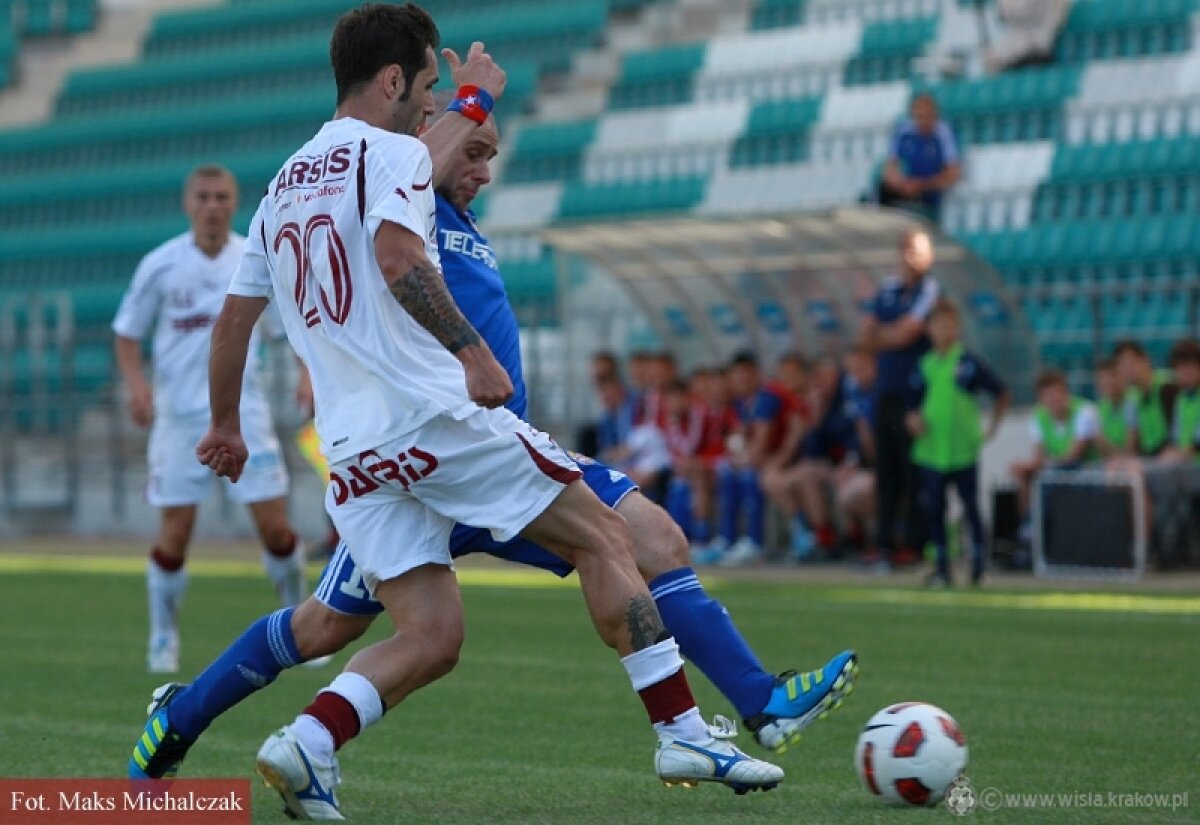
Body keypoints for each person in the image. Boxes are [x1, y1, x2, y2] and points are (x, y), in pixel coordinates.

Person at [129, 7, 851, 812]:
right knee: (605, 538)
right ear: (398, 84)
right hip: (440, 425)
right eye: (430, 90)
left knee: (434, 635)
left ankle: (305, 743)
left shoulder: (284, 188)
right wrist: (473, 351)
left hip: (361, 453)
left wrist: (224, 423)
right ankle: (682, 729)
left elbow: (235, 321)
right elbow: (399, 251)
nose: (459, 134)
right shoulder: (396, 157)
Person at [112, 165, 309, 674]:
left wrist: (307, 373)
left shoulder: (253, 258)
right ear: (188, 203)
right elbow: (127, 333)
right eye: (203, 196)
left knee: (276, 529)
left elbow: (293, 325)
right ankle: (162, 634)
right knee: (175, 532)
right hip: (178, 421)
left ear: (234, 202)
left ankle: (303, 622)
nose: (213, 205)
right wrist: (138, 387)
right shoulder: (160, 265)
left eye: (222, 196)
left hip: (248, 414)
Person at [905, 300, 1009, 587]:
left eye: (950, 324)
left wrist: (992, 429)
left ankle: (978, 567)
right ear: (929, 329)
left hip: (962, 450)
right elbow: (912, 406)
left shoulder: (967, 363)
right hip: (931, 451)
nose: (944, 330)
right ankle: (942, 568)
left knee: (970, 508)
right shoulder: (924, 365)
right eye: (938, 324)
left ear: (957, 328)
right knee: (934, 509)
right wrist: (913, 420)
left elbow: (1000, 392)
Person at [860, 228, 941, 568]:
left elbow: (910, 332)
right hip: (886, 391)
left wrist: (887, 335)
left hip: (915, 394)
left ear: (929, 256)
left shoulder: (930, 289)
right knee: (887, 472)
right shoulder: (889, 289)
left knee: (914, 473)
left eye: (918, 250)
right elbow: (867, 336)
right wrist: (890, 336)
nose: (910, 257)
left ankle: (914, 543)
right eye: (907, 249)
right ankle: (884, 545)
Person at [1009, 369, 1099, 516]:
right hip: (1057, 468)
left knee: (1049, 478)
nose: (1055, 398)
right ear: (1041, 398)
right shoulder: (1038, 416)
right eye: (1048, 395)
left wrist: (1040, 464)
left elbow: (1074, 455)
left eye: (1058, 393)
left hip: (1088, 467)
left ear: (1066, 393)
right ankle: (1029, 526)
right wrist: (1027, 466)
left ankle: (1037, 521)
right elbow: (1039, 455)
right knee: (1025, 475)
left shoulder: (1084, 411)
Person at [879, 93, 961, 223]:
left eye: (926, 116)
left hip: (929, 190)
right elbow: (889, 168)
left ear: (934, 116)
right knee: (882, 190)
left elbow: (953, 173)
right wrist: (900, 184)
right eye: (919, 117)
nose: (922, 121)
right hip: (906, 189)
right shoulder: (904, 131)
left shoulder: (943, 133)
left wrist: (921, 185)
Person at [1115, 340, 1178, 458]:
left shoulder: (1168, 387)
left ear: (1145, 359)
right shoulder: (1132, 399)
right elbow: (1132, 443)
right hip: (1151, 459)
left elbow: (1178, 435)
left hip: (1173, 457)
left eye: (1130, 363)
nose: (1126, 370)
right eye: (1121, 365)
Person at [984, 0, 1070, 74]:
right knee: (989, 58)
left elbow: (1021, 11)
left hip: (1039, 46)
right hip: (1024, 43)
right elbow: (1005, 15)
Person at [1093, 357, 1128, 459]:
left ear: (1121, 377)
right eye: (1102, 378)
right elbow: (1101, 445)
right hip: (1112, 463)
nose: (1108, 382)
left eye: (1112, 376)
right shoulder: (1101, 408)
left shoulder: (1133, 401)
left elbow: (1131, 446)